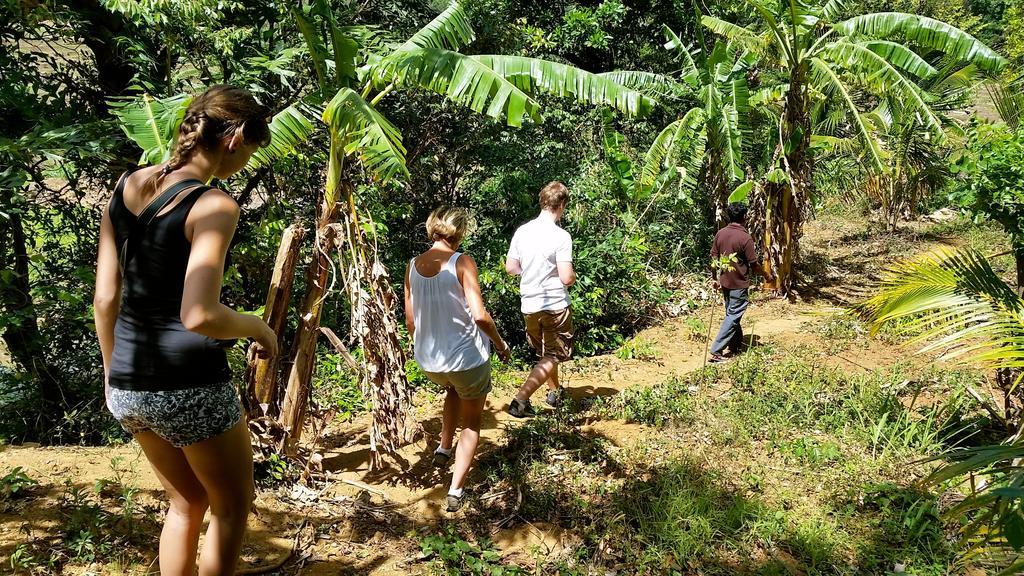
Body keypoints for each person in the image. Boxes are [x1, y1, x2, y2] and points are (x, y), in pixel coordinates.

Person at [93, 85, 278, 576]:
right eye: (252, 151)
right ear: (235, 138)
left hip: (128, 386)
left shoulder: (127, 185)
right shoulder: (213, 205)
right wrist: (256, 327)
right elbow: (199, 314)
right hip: (188, 384)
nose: (246, 163)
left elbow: (105, 298)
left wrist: (115, 375)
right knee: (232, 507)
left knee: (185, 503)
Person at [404, 206, 511, 513]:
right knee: (474, 421)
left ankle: (443, 447)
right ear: (460, 232)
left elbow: (411, 323)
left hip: (430, 362)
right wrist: (501, 346)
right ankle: (455, 489)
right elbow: (480, 316)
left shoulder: (412, 265)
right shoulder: (461, 262)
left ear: (432, 229)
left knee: (452, 388)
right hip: (466, 360)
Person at [504, 181, 576, 418]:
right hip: (554, 304)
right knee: (553, 354)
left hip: (530, 305)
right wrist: (572, 276)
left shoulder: (522, 231)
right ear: (562, 205)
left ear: (542, 201)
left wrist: (530, 273)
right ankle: (520, 400)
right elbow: (566, 277)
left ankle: (554, 391)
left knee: (545, 353)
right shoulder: (561, 236)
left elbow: (511, 267)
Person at [708, 202, 769, 363]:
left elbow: (713, 258)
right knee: (733, 316)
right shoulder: (745, 237)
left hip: (725, 283)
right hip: (738, 284)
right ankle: (716, 351)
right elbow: (754, 264)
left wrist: (715, 278)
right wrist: (766, 276)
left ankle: (735, 345)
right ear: (744, 217)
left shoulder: (721, 233)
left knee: (732, 314)